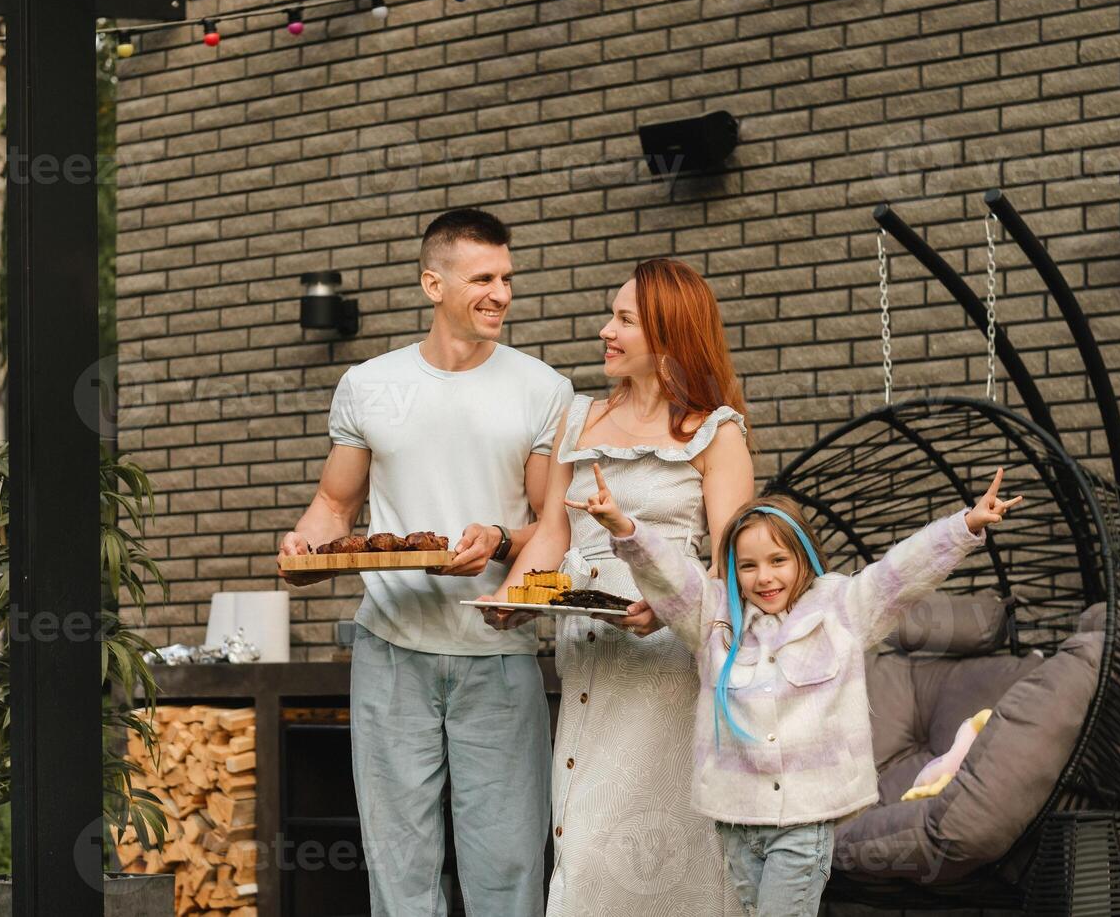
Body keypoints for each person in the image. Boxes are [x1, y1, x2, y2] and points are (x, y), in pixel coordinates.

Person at [276, 208, 572, 917]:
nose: (501, 293)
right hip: (389, 654)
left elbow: (550, 526)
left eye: (507, 278)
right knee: (400, 871)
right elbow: (334, 503)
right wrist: (303, 544)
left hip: (498, 655)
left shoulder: (543, 389)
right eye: (483, 278)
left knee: (505, 870)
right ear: (432, 284)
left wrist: (499, 540)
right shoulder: (369, 384)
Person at [576, 465, 1023, 916]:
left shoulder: (843, 608)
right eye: (747, 566)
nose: (763, 577)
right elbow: (671, 575)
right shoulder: (713, 617)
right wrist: (624, 528)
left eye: (777, 561)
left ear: (804, 557)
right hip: (737, 820)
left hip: (804, 823)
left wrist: (964, 526)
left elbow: (900, 573)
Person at [481, 258, 749, 915]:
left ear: (667, 337)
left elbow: (729, 567)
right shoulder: (577, 419)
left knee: (645, 845)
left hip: (668, 668)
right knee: (582, 837)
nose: (605, 330)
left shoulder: (717, 432)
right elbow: (552, 533)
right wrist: (518, 594)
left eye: (623, 319)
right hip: (588, 654)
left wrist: (667, 606)